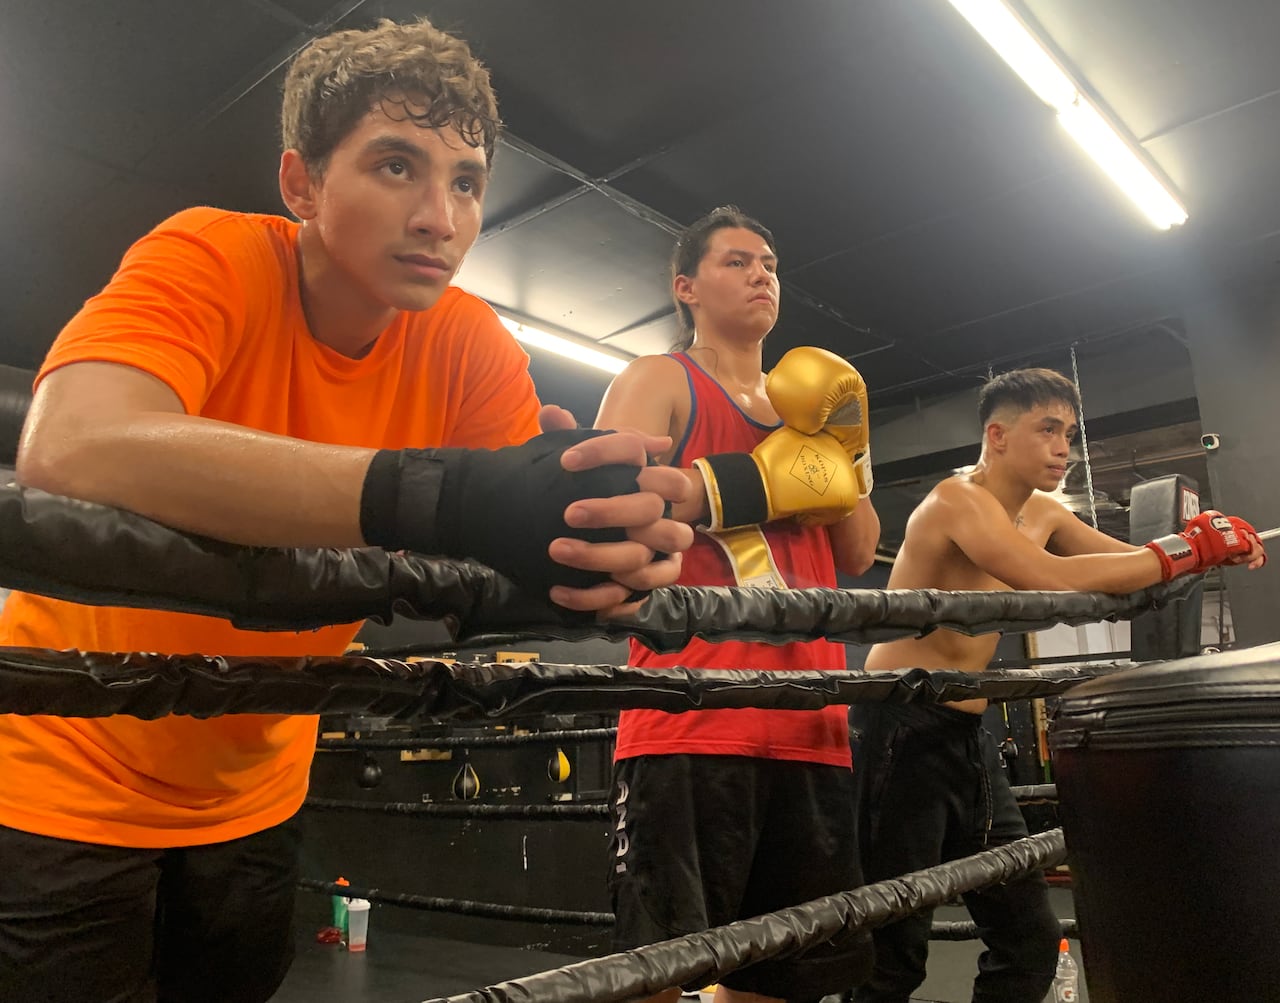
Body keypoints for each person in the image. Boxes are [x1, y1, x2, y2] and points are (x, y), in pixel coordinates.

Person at [0, 17, 692, 1003]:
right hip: (63, 773)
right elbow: (68, 446)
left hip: (258, 792)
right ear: (302, 184)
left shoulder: (468, 344)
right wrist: (433, 494)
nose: (438, 216)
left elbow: (504, 547)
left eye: (463, 181)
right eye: (396, 166)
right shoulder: (212, 256)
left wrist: (599, 542)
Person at [849, 366, 1266, 1003]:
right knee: (893, 953)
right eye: (1046, 430)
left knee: (1029, 942)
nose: (1061, 448)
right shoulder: (956, 500)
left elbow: (1124, 568)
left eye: (1068, 433)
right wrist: (1187, 550)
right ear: (997, 435)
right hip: (897, 725)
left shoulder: (1043, 510)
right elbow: (1043, 574)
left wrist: (1211, 546)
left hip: (969, 733)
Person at [596, 205, 882, 1003]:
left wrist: (848, 444)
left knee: (783, 979)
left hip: (811, 724)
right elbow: (603, 503)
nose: (763, 273)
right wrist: (755, 483)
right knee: (650, 976)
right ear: (686, 286)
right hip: (693, 713)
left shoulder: (812, 413)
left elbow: (858, 552)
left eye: (771, 263)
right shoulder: (660, 379)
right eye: (738, 261)